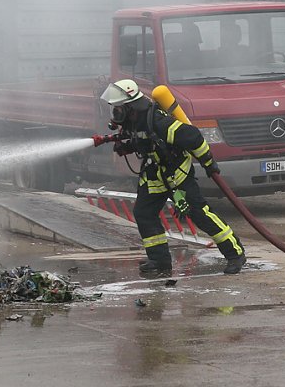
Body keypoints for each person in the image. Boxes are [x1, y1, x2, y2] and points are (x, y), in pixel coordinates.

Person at [99, 79, 247, 277]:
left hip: (177, 174)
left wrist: (208, 163)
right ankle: (159, 261)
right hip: (154, 173)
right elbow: (146, 142)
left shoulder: (159, 122)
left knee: (199, 214)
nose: (116, 114)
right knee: (144, 213)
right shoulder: (134, 121)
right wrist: (130, 146)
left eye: (118, 109)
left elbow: (193, 137)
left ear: (131, 107)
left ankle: (235, 254)